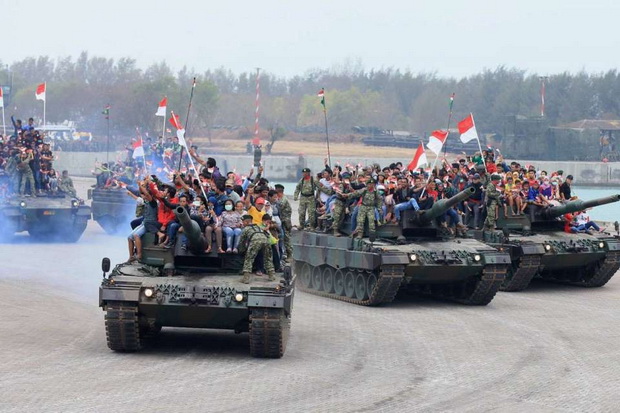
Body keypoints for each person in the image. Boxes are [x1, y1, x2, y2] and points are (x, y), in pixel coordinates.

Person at [238, 214, 275, 283]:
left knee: (249, 259)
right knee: (268, 258)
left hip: (255, 241)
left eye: (243, 222)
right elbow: (266, 234)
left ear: (246, 222)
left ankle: (246, 278)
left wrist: (241, 250)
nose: (242, 223)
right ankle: (271, 275)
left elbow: (242, 241)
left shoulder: (245, 229)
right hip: (265, 240)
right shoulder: (258, 226)